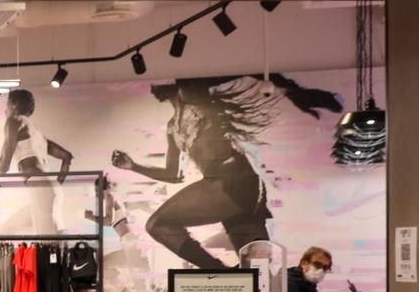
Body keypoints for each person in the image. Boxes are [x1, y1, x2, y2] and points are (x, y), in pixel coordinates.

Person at [111, 75, 341, 269]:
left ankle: (219, 272)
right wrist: (134, 167)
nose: (152, 86)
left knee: (157, 224)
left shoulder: (192, 94)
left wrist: (293, 90)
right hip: (243, 190)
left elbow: (242, 72)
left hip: (229, 184)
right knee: (257, 271)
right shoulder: (174, 126)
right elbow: (173, 174)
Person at [0, 88, 74, 236]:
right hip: (51, 189)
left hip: (40, 188)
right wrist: (54, 185)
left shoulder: (14, 121)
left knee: (47, 246)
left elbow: (3, 166)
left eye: (7, 105)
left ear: (14, 105)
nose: (5, 111)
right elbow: (67, 157)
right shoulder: (37, 134)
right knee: (12, 232)